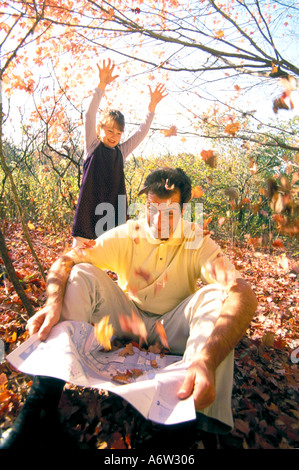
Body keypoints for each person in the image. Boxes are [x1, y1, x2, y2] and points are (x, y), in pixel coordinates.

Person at [0, 167, 257, 449]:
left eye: (169, 212)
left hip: (173, 326)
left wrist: (207, 358)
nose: (158, 220)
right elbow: (67, 260)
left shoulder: (196, 239)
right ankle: (39, 409)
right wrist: (52, 303)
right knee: (80, 274)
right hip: (128, 319)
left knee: (217, 297)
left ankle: (181, 428)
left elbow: (242, 292)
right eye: (151, 208)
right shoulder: (128, 233)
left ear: (183, 211)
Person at [72, 58, 167, 247]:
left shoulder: (120, 152)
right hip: (88, 210)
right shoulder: (92, 146)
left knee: (108, 257)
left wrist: (151, 108)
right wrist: (101, 86)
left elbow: (141, 133)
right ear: (100, 129)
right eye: (109, 131)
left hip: (111, 213)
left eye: (118, 133)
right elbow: (89, 115)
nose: (114, 136)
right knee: (78, 257)